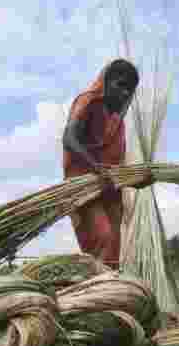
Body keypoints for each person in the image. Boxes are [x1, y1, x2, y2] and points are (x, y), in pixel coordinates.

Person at [62, 58, 154, 269]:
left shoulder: (116, 123)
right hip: (83, 185)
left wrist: (137, 179)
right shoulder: (88, 101)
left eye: (129, 89)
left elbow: (115, 170)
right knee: (101, 237)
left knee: (113, 247)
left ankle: (107, 294)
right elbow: (69, 138)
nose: (124, 93)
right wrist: (96, 167)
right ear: (105, 81)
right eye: (120, 85)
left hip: (108, 190)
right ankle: (92, 292)